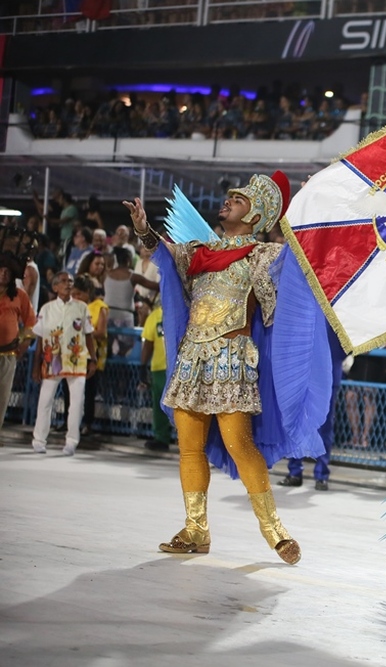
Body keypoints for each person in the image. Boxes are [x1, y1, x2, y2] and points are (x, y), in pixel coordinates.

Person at [123, 171, 310, 564]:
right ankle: (195, 529)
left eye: (238, 200)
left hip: (231, 356)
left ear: (256, 216)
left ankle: (274, 529)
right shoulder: (199, 252)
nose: (228, 201)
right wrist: (143, 229)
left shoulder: (263, 255)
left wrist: (309, 206)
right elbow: (165, 253)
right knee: (188, 447)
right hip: (193, 355)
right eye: (229, 196)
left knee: (240, 444)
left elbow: (297, 267)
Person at [31, 271, 96, 456]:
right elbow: (40, 340)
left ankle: (71, 441)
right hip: (53, 361)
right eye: (64, 281)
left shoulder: (82, 307)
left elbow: (89, 335)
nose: (68, 284)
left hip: (77, 360)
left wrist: (93, 359)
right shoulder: (47, 309)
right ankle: (39, 439)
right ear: (55, 286)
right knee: (45, 400)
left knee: (76, 402)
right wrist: (36, 366)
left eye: (70, 281)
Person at [0, 255, 36, 434]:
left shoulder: (19, 295)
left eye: (7, 271)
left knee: (2, 396)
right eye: (0, 269)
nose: (3, 273)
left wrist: (25, 343)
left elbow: (30, 322)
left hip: (7, 354)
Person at [74, 275, 108, 438]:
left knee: (88, 391)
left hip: (91, 353)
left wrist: (84, 332)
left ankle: (87, 424)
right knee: (70, 391)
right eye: (74, 294)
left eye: (79, 294)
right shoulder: (72, 307)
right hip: (73, 354)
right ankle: (70, 423)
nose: (76, 297)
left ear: (88, 292)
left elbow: (100, 332)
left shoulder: (99, 307)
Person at [139, 300, 171, 452]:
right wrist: (143, 367)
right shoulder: (155, 316)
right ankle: (162, 438)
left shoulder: (182, 312)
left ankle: (170, 438)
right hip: (161, 368)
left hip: (174, 368)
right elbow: (148, 344)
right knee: (160, 406)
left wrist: (142, 367)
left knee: (168, 406)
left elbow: (147, 345)